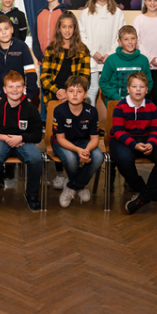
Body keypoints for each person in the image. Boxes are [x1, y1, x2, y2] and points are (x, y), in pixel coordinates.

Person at [40, 11, 91, 190]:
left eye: (70, 26)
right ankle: (60, 173)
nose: (67, 30)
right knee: (57, 135)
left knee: (74, 135)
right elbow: (44, 77)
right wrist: (58, 91)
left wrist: (70, 94)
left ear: (75, 28)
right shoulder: (51, 49)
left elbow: (85, 78)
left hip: (75, 99)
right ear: (59, 29)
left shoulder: (83, 50)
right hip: (55, 99)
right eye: (64, 27)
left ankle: (75, 176)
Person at [109, 72, 157, 215]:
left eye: (142, 86)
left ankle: (143, 197)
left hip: (145, 139)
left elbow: (156, 130)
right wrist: (134, 145)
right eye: (134, 86)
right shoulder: (120, 107)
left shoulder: (152, 107)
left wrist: (151, 143)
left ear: (147, 90)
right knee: (124, 158)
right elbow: (118, 132)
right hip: (122, 140)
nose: (138, 89)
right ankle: (147, 191)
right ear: (128, 89)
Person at [0, 71, 44, 212]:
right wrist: (6, 138)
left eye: (18, 86)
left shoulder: (31, 109)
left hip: (23, 141)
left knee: (36, 158)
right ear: (4, 89)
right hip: (1, 140)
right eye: (10, 86)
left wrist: (21, 138)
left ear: (23, 88)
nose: (14, 90)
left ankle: (32, 194)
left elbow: (37, 135)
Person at [51, 75, 103, 208]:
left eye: (79, 91)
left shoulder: (92, 111)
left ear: (85, 95)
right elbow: (60, 139)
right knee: (71, 159)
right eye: (71, 91)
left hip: (84, 142)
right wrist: (78, 151)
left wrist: (86, 150)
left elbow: (94, 139)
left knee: (98, 157)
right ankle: (80, 186)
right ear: (65, 93)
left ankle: (72, 186)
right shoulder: (59, 110)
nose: (75, 94)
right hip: (62, 142)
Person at [78, 0, 126, 112]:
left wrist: (109, 54)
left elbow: (121, 36)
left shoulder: (117, 12)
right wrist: (94, 52)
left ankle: (113, 119)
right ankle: (91, 118)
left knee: (111, 89)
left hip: (111, 58)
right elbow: (81, 36)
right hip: (92, 58)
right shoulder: (86, 12)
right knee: (92, 88)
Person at [0, 15, 38, 104]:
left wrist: (29, 97)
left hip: (18, 97)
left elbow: (31, 73)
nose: (4, 32)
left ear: (12, 29)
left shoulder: (22, 46)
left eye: (6, 28)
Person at [99, 25, 153, 103]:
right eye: (126, 39)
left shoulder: (143, 60)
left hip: (137, 102)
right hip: (116, 102)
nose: (130, 42)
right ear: (119, 42)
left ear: (137, 39)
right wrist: (117, 98)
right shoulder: (111, 60)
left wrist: (140, 96)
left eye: (133, 38)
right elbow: (103, 83)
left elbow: (149, 82)